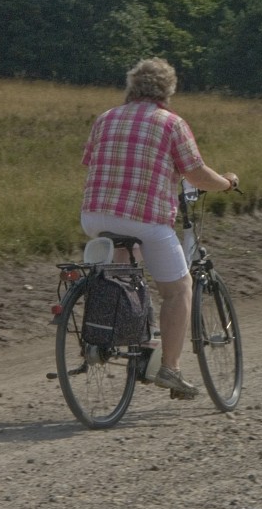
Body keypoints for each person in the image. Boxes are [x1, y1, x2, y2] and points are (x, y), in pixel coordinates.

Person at [81, 58, 239, 398]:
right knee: (178, 289)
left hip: (95, 217)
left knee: (124, 274)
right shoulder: (171, 124)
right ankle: (170, 368)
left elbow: (91, 160)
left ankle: (126, 332)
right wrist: (226, 183)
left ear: (131, 86)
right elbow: (196, 173)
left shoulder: (105, 118)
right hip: (144, 220)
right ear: (168, 90)